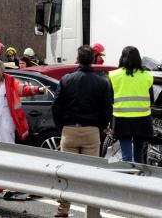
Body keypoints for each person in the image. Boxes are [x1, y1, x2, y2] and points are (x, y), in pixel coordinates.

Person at [51, 45, 112, 218]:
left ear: (77, 59)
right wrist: (98, 128)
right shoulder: (102, 82)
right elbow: (107, 110)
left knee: (65, 173)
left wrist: (62, 126)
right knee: (92, 175)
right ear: (93, 59)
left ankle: (63, 211)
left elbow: (56, 106)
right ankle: (92, 213)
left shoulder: (66, 79)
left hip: (69, 130)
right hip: (92, 131)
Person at [0, 59, 47, 143]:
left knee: (8, 143)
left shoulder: (9, 81)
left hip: (6, 118)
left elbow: (22, 89)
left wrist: (38, 89)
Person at [109, 46, 154, 163]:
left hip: (122, 120)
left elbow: (110, 98)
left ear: (122, 58)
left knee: (126, 156)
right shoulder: (147, 75)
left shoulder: (113, 75)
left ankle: (127, 178)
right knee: (139, 155)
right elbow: (151, 100)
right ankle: (139, 179)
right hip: (142, 120)